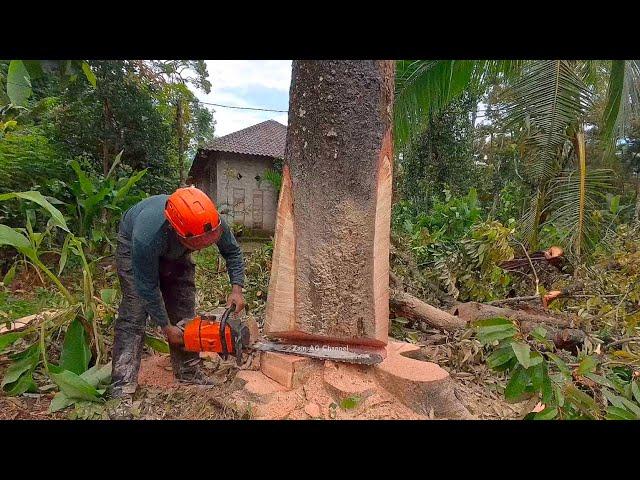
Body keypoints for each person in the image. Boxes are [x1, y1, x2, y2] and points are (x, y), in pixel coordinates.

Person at [110, 186, 245, 398]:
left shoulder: (209, 220)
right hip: (134, 247)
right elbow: (147, 286)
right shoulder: (147, 236)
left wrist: (237, 288)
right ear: (177, 230)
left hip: (177, 247)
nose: (202, 248)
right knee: (134, 311)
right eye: (198, 244)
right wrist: (165, 326)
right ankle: (122, 384)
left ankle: (188, 370)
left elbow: (232, 251)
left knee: (183, 305)